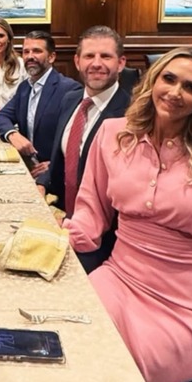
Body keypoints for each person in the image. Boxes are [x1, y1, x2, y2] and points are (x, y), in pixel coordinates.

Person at [63, 47, 192, 381]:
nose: (176, 92)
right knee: (75, 335)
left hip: (181, 302)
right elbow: (92, 209)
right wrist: (65, 236)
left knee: (132, 360)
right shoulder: (113, 135)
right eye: (169, 79)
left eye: (191, 87)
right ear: (153, 80)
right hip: (117, 276)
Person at [36, 26, 132, 271]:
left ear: (121, 63)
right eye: (89, 56)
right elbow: (66, 161)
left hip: (103, 241)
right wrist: (42, 183)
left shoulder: (132, 116)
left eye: (106, 56)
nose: (96, 63)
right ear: (77, 61)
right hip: (61, 218)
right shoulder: (71, 100)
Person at [0, 30, 83, 178]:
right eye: (26, 52)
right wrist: (12, 134)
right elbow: (1, 116)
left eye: (37, 51)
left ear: (52, 57)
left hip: (54, 175)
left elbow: (78, 140)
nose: (30, 56)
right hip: (26, 167)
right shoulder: (24, 88)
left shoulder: (69, 90)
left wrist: (55, 165)